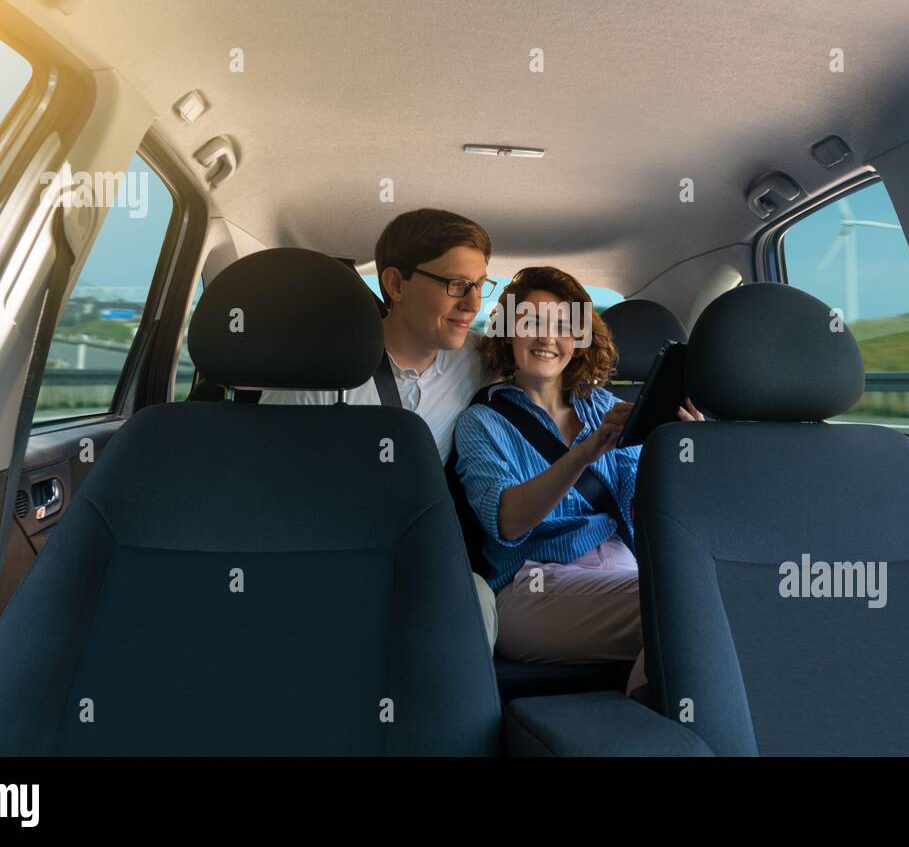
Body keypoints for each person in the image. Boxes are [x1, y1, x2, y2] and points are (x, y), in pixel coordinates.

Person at [453, 266, 702, 694]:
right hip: (533, 587)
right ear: (508, 331)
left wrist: (687, 456)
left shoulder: (604, 405)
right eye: (530, 322)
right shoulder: (482, 422)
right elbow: (509, 522)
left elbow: (645, 515)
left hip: (627, 574)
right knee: (685, 607)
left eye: (563, 326)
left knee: (702, 598)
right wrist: (585, 452)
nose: (547, 338)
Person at [262, 207, 499, 651]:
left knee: (476, 597)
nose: (472, 303)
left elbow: (556, 389)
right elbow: (270, 490)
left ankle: (454, 718)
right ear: (395, 284)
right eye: (456, 285)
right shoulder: (321, 372)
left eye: (481, 286)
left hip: (411, 557)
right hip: (318, 557)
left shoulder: (479, 360)